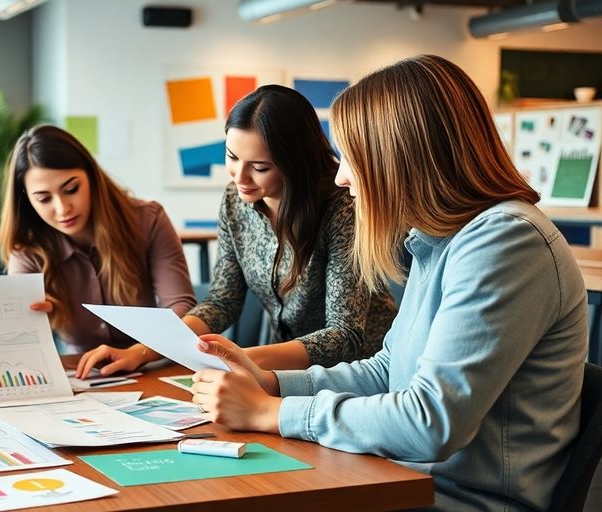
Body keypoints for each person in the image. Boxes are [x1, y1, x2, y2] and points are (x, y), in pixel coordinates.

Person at [190, 55, 586, 511]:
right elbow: (386, 371)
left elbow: (429, 422)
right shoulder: (441, 238)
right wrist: (273, 383)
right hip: (398, 477)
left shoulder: (506, 241)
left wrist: (272, 413)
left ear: (402, 159)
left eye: (352, 159)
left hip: (458, 499)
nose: (340, 176)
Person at [76, 85, 396, 379]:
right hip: (281, 367)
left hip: (363, 373)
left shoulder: (343, 207)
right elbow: (222, 301)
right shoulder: (235, 200)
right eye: (232, 157)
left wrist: (239, 358)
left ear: (295, 163)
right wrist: (142, 352)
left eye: (259, 167)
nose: (240, 177)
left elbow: (345, 335)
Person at [0, 124, 195, 356]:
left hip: (151, 362)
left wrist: (141, 352)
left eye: (71, 189)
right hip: (81, 371)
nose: (62, 208)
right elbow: (9, 335)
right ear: (27, 201)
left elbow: (182, 306)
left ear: (92, 177)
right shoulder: (27, 248)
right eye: (44, 198)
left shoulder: (147, 220)